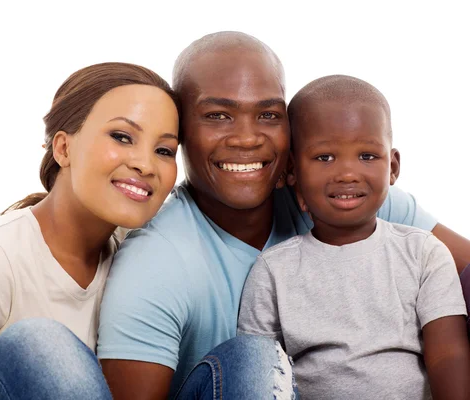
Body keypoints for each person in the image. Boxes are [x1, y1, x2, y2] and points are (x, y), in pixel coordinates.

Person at [96, 32, 470, 399]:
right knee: (253, 357)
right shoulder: (154, 264)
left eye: (268, 114)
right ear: (179, 133)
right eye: (218, 115)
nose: (246, 138)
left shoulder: (346, 198)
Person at [0, 62, 180, 400]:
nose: (145, 165)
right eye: (122, 137)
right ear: (63, 148)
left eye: (164, 151)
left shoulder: (143, 256)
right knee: (42, 345)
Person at [237, 75, 470, 400]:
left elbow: (448, 354)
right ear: (292, 170)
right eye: (324, 157)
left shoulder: (423, 253)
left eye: (367, 156)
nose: (347, 173)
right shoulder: (273, 270)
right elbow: (258, 373)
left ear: (393, 167)